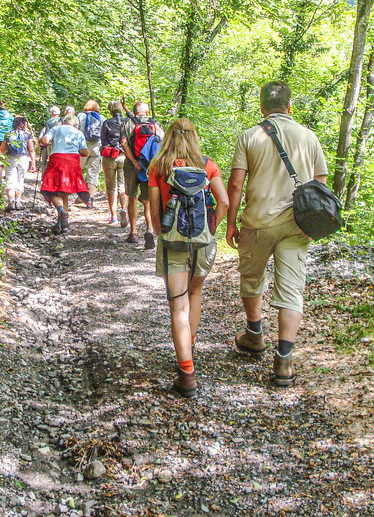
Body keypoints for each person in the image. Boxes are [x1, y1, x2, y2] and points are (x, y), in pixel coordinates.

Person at [226, 82, 328, 387]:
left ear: (261, 107)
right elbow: (320, 184)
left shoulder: (250, 136)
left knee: (252, 278)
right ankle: (284, 360)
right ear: (290, 106)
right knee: (292, 289)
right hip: (297, 224)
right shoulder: (309, 137)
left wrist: (230, 224)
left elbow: (235, 185)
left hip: (258, 221)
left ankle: (255, 335)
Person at [147, 119, 228, 398]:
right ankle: (188, 346)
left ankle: (187, 373)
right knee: (195, 293)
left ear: (167, 137)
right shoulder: (208, 164)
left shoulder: (158, 167)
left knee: (177, 304)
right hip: (203, 240)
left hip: (173, 241)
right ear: (194, 137)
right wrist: (212, 226)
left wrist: (161, 233)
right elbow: (225, 202)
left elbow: (155, 210)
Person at [121, 101, 163, 248]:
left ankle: (133, 232)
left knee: (131, 197)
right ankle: (149, 229)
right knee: (148, 200)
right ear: (146, 111)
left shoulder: (128, 123)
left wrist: (134, 161)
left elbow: (123, 142)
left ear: (135, 111)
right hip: (149, 166)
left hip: (132, 166)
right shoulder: (155, 124)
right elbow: (161, 144)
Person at [39, 115, 90, 234]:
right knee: (64, 192)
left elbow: (44, 140)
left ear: (64, 122)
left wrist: (51, 142)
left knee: (53, 190)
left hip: (57, 160)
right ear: (76, 124)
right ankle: (62, 224)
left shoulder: (56, 129)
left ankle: (61, 213)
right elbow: (84, 152)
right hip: (72, 161)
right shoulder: (78, 133)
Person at [100, 101, 129, 226]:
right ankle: (124, 210)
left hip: (110, 156)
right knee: (123, 185)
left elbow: (103, 140)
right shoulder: (127, 122)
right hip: (124, 156)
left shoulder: (106, 123)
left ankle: (113, 216)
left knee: (111, 186)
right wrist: (127, 108)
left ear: (110, 110)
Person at [0, 116, 37, 210]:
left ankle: (11, 202)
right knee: (20, 180)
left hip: (10, 158)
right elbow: (31, 150)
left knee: (10, 179)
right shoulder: (27, 135)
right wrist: (33, 163)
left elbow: (2, 149)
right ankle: (18, 202)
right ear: (23, 124)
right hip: (24, 158)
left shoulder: (8, 135)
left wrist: (1, 160)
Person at [77, 100, 104, 208]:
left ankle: (81, 194)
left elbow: (77, 131)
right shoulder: (101, 118)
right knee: (93, 173)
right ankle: (91, 199)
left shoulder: (81, 116)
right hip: (97, 147)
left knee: (78, 170)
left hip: (83, 146)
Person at [39, 105, 61, 174]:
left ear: (52, 113)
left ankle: (45, 177)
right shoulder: (62, 120)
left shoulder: (49, 121)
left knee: (49, 160)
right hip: (60, 143)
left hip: (50, 143)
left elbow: (48, 133)